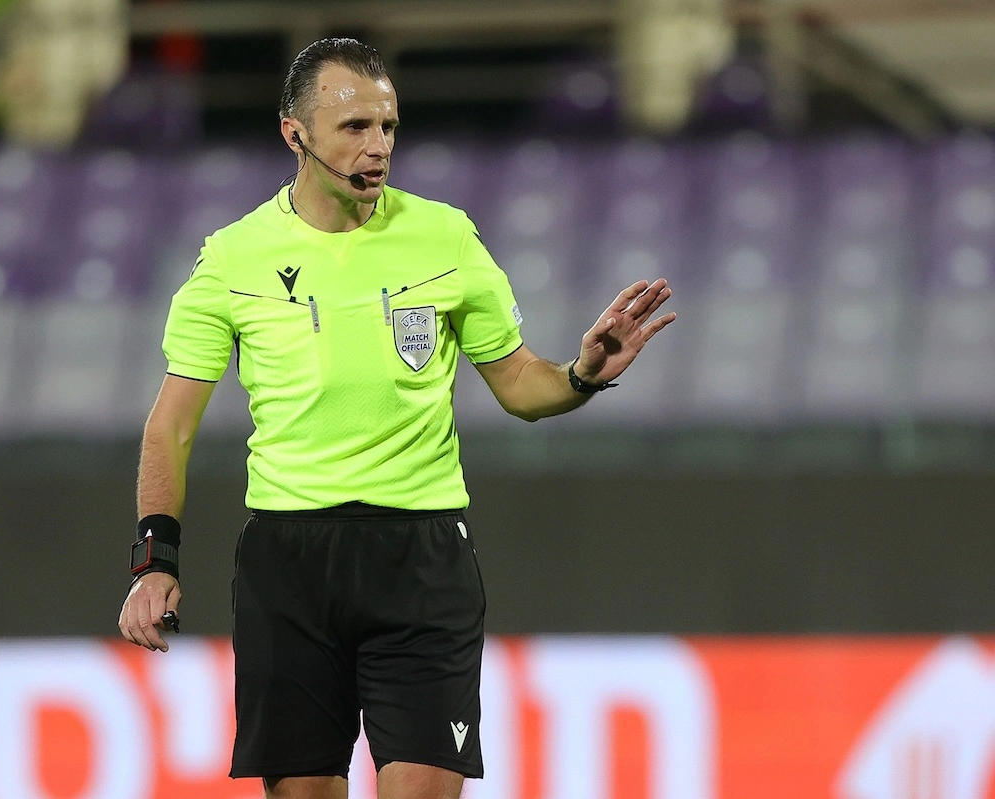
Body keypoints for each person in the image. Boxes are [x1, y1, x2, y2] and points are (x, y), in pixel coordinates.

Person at [118, 37, 676, 799]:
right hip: (290, 561)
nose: (377, 146)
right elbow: (170, 426)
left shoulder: (445, 237)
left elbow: (518, 384)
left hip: (421, 554)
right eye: (354, 128)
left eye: (387, 126)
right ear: (295, 133)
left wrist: (582, 375)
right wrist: (157, 563)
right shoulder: (232, 260)